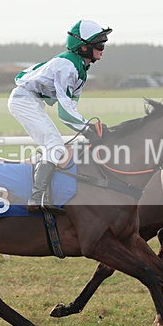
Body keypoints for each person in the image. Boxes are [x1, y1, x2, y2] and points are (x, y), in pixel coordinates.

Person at [8, 19, 112, 214]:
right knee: (55, 146)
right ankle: (35, 198)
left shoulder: (81, 69)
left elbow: (71, 109)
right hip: (23, 100)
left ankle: (45, 195)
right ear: (83, 48)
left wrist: (88, 128)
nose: (102, 48)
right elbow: (64, 114)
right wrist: (88, 129)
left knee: (56, 146)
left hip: (32, 101)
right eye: (99, 44)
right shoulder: (68, 67)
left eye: (103, 43)